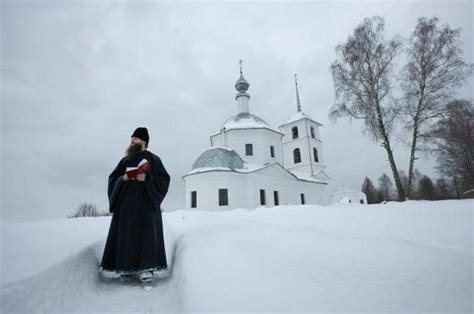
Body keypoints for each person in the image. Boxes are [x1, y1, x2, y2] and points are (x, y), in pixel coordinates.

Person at [100, 127, 171, 284]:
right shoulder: (124, 161)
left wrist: (146, 178)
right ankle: (126, 268)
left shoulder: (154, 159)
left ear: (144, 141)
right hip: (126, 207)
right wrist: (123, 178)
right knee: (127, 236)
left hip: (147, 206)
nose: (132, 141)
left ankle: (146, 269)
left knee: (146, 236)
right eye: (132, 138)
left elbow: (164, 180)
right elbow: (113, 178)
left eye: (136, 139)